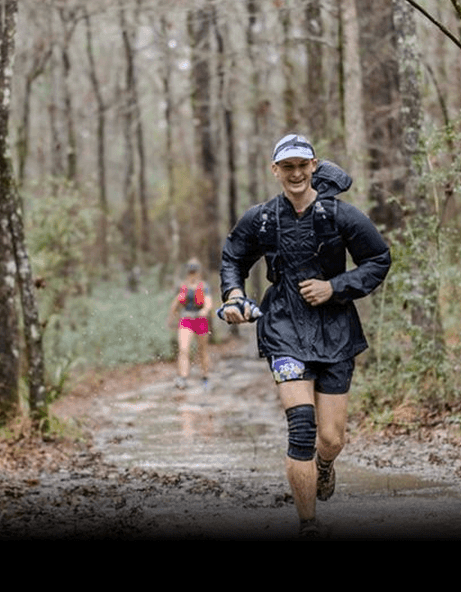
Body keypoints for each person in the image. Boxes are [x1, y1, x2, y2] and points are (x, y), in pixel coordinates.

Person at [218, 134, 391, 537]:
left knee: (330, 439)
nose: (295, 173)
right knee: (301, 426)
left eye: (302, 165)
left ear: (313, 166)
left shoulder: (340, 215)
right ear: (275, 170)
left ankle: (325, 465)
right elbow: (233, 258)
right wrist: (234, 295)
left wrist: (335, 287)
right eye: (287, 166)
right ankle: (308, 524)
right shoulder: (260, 219)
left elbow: (378, 259)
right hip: (283, 326)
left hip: (335, 328)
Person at [167, 259, 215, 391]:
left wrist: (204, 311)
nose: (192, 274)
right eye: (190, 272)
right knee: (183, 349)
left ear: (198, 272)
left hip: (200, 320)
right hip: (186, 319)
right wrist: (171, 318)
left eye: (194, 272)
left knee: (202, 350)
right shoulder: (183, 286)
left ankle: (205, 376)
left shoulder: (204, 286)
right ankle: (182, 377)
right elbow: (175, 303)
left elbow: (209, 302)